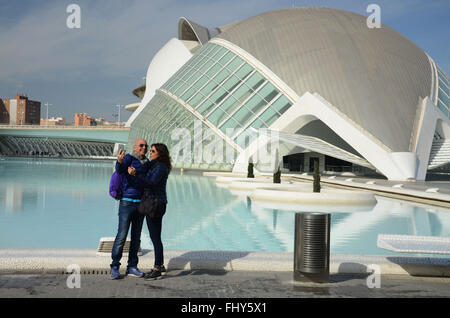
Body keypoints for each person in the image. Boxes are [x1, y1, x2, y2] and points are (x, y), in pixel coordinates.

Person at [128, 143, 171, 280]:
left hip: (156, 204)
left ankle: (157, 268)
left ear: (160, 153)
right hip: (154, 202)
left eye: (152, 151)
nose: (150, 153)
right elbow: (141, 168)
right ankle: (160, 264)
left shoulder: (161, 167)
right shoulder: (153, 164)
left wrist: (135, 174)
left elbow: (150, 182)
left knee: (155, 237)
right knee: (156, 236)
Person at [110, 139, 149, 279]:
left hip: (140, 204)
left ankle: (132, 266)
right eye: (141, 146)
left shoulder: (147, 163)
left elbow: (148, 181)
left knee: (136, 238)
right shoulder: (128, 158)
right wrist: (119, 162)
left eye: (146, 146)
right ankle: (115, 266)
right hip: (127, 202)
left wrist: (137, 174)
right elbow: (120, 171)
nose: (144, 148)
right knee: (121, 235)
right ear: (135, 147)